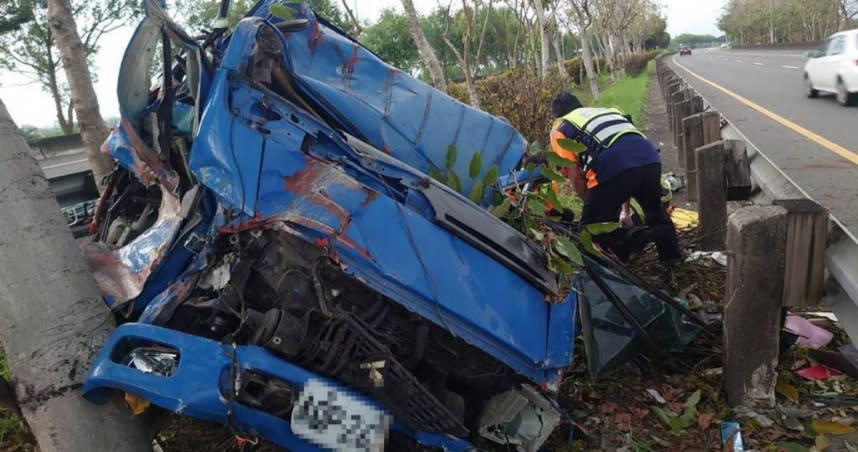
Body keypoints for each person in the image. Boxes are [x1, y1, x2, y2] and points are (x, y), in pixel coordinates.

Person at [549, 91, 681, 262]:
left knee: (590, 233)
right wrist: (624, 211)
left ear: (556, 116)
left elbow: (575, 177)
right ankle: (673, 263)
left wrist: (592, 206)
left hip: (611, 166)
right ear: (580, 105)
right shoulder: (606, 112)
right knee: (657, 216)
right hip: (649, 157)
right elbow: (625, 153)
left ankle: (625, 254)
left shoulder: (560, 128)